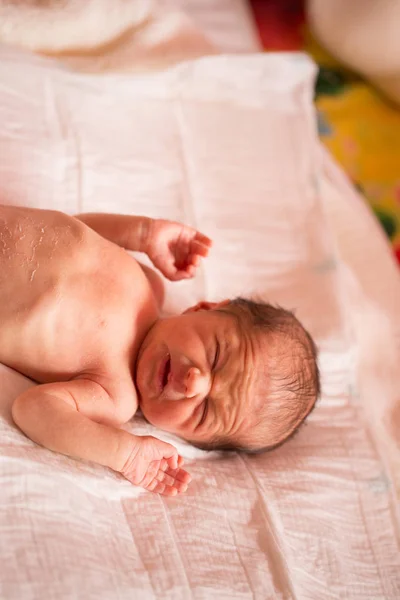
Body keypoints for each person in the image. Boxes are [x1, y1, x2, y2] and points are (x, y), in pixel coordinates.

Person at [0, 205, 319, 496]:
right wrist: (143, 233)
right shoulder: (149, 283)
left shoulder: (114, 394)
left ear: (184, 437)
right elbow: (80, 231)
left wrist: (124, 454)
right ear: (202, 308)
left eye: (204, 411)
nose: (193, 384)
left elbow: (33, 409)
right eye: (217, 356)